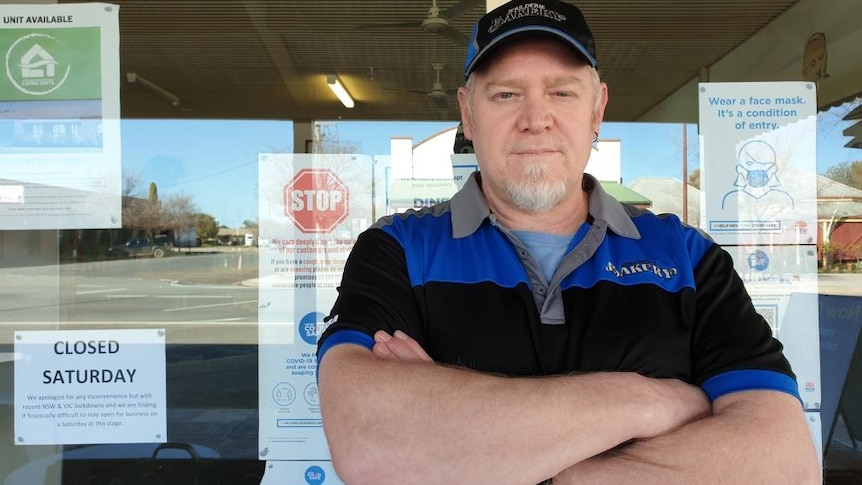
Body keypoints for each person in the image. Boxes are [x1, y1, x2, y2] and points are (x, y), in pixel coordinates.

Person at [316, 1, 821, 484]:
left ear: (597, 108)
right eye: (506, 94)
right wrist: (651, 403)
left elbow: (784, 463)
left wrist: (496, 456)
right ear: (468, 115)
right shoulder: (398, 250)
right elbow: (370, 442)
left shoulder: (689, 257)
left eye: (562, 92)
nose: (537, 118)